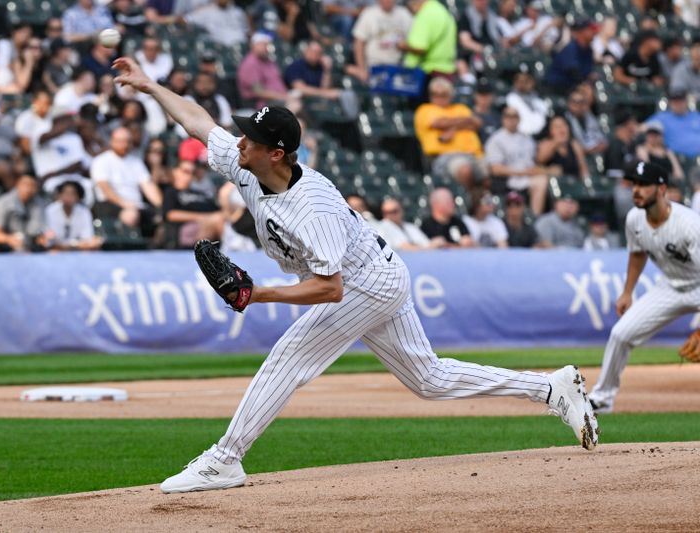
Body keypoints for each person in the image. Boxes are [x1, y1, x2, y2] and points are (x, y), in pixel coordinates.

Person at [112, 56, 599, 493]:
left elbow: (330, 287)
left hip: (365, 280)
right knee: (428, 378)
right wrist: (150, 86)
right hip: (382, 270)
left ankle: (224, 459)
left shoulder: (312, 210)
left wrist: (259, 294)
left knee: (288, 357)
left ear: (276, 153)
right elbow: (200, 123)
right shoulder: (248, 166)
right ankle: (550, 388)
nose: (239, 141)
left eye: (250, 138)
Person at [588, 161, 700, 413]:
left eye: (643, 184)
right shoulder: (634, 219)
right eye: (634, 183)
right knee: (620, 334)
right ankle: (602, 399)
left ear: (662, 189)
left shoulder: (690, 225)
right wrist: (628, 291)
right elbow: (637, 253)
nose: (635, 190)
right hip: (670, 287)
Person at [414, 77, 484, 189]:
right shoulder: (425, 110)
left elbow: (477, 123)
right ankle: (467, 201)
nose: (438, 97)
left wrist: (452, 128)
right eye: (434, 94)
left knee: (492, 169)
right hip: (444, 157)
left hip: (474, 154)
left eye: (443, 94)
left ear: (450, 95)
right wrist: (464, 121)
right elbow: (439, 123)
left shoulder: (460, 108)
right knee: (465, 170)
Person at [91, 126, 162, 229]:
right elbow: (105, 189)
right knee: (131, 215)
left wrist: (162, 207)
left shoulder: (136, 162)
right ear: (112, 141)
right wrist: (126, 204)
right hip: (110, 205)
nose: (125, 144)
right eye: (121, 141)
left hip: (136, 205)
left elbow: (148, 186)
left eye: (127, 141)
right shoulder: (101, 161)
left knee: (163, 217)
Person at [484, 105, 550, 215]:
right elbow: (496, 169)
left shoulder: (526, 138)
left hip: (527, 177)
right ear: (503, 119)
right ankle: (535, 217)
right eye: (508, 116)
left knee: (547, 179)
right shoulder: (496, 139)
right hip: (507, 181)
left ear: (519, 119)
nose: (511, 119)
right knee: (540, 181)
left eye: (514, 116)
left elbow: (535, 161)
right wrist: (523, 172)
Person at [162, 158, 224, 248]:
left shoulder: (200, 193)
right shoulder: (171, 192)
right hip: (185, 230)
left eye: (192, 173)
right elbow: (170, 214)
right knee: (217, 219)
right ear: (175, 172)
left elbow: (218, 211)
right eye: (186, 171)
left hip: (211, 224)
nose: (189, 176)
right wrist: (202, 218)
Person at [348, 0, 412, 82]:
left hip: (398, 67)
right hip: (373, 67)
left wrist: (404, 46)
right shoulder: (369, 13)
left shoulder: (404, 14)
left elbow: (413, 41)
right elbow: (359, 42)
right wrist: (361, 69)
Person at [0, 174, 47, 252]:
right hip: (7, 249)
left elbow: (39, 231)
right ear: (17, 184)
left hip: (32, 248)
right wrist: (8, 239)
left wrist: (42, 238)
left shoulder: (40, 203)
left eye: (32, 185)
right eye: (25, 184)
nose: (28, 189)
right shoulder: (3, 202)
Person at [237, 32, 294, 109]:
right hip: (262, 104)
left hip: (279, 99)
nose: (267, 48)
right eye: (264, 45)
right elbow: (259, 91)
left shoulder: (268, 61)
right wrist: (283, 97)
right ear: (254, 45)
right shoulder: (250, 63)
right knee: (292, 106)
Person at [401, 0, 457, 79]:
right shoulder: (440, 9)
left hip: (430, 71)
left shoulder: (425, 13)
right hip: (447, 69)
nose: (412, 14)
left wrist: (403, 46)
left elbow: (420, 48)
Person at [44, 180, 103, 250]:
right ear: (59, 195)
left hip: (79, 248)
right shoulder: (50, 210)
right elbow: (49, 239)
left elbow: (87, 238)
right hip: (57, 248)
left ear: (78, 197)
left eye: (73, 193)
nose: (69, 196)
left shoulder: (84, 212)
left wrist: (76, 245)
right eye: (65, 193)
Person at [544, 19, 598, 91]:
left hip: (572, 87)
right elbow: (573, 71)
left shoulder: (589, 51)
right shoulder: (571, 48)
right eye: (590, 30)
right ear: (582, 31)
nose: (594, 33)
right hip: (556, 87)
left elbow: (587, 72)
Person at [646, 89, 700, 159]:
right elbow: (643, 129)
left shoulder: (696, 116)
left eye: (680, 101)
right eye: (675, 101)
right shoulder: (662, 117)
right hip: (677, 158)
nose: (678, 104)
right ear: (670, 103)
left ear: (686, 101)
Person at [536, 115, 590, 180]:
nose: (561, 129)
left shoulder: (574, 144)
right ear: (550, 131)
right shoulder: (545, 144)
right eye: (557, 126)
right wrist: (555, 143)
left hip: (575, 182)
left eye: (564, 125)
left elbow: (583, 167)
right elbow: (539, 161)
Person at [505, 69, 549, 137]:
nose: (523, 84)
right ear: (515, 83)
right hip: (517, 137)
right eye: (520, 81)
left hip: (540, 137)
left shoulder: (539, 101)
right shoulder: (509, 100)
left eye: (526, 81)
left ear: (532, 82)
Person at [15, 90, 53, 156]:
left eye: (48, 103)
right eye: (43, 103)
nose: (46, 106)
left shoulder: (51, 115)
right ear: (35, 102)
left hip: (52, 152)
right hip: (36, 156)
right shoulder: (25, 118)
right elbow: (26, 148)